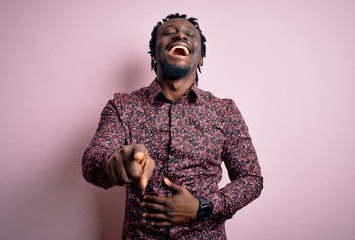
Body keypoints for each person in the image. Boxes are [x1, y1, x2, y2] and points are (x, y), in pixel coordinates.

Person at [82, 13, 263, 239]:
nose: (179, 35)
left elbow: (251, 179)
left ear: (201, 58)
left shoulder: (224, 111)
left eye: (189, 34)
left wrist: (203, 207)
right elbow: (91, 163)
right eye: (169, 33)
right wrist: (113, 162)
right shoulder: (122, 106)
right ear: (154, 53)